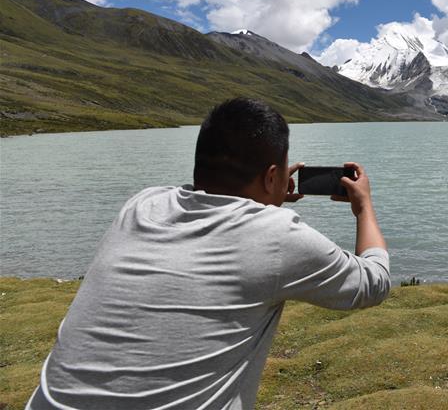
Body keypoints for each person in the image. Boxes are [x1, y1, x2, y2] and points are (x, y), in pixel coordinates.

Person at [27, 98, 390, 409]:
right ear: (271, 176)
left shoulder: (142, 204)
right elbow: (373, 282)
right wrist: (364, 207)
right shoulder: (277, 235)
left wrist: (270, 190)